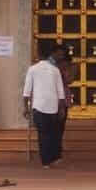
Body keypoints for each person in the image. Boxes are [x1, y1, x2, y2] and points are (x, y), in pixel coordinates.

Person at [23, 40, 66, 169]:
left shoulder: (32, 69)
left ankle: (45, 161)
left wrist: (26, 108)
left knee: (43, 135)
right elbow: (61, 92)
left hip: (38, 107)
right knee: (52, 134)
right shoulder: (55, 70)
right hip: (52, 107)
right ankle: (52, 158)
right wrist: (62, 108)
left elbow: (26, 91)